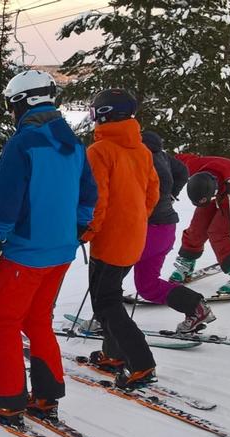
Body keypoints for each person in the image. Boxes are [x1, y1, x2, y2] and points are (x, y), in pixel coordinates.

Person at [0, 70, 97, 425]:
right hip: (61, 251)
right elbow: (88, 196)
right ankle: (46, 397)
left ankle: (10, 403)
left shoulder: (23, 144)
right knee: (36, 321)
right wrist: (75, 230)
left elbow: (9, 199)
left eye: (11, 105)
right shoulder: (74, 144)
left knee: (4, 322)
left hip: (26, 252)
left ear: (23, 103)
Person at [78, 89, 160, 390]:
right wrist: (134, 219)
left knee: (106, 302)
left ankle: (141, 363)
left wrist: (87, 231)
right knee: (109, 294)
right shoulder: (141, 150)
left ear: (103, 114)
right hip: (134, 234)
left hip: (110, 238)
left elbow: (96, 199)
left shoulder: (99, 151)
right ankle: (113, 354)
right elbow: (152, 193)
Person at [134, 131, 216, 333]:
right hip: (165, 229)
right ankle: (196, 307)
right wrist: (171, 195)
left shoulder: (139, 155)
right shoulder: (161, 155)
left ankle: (104, 320)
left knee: (109, 274)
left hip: (146, 229)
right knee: (147, 286)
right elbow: (182, 171)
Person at [170, 154, 230, 295]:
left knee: (218, 232)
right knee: (197, 227)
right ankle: (187, 263)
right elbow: (173, 159)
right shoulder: (193, 167)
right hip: (212, 186)